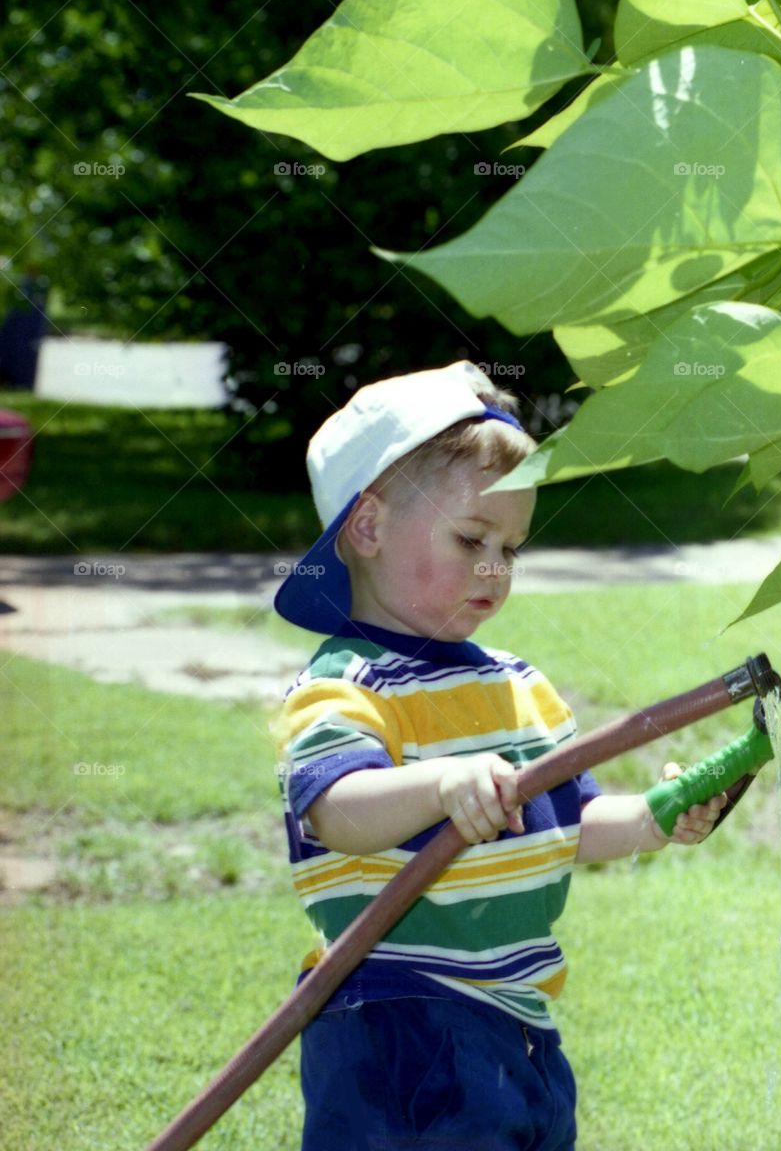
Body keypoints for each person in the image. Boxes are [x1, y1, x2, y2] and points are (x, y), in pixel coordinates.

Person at [272, 360, 726, 1151]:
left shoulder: (517, 687)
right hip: (395, 1023)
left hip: (518, 1025)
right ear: (369, 527)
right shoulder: (344, 685)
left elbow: (575, 820)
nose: (494, 568)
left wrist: (656, 818)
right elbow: (335, 810)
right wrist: (443, 783)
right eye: (471, 539)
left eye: (511, 549)